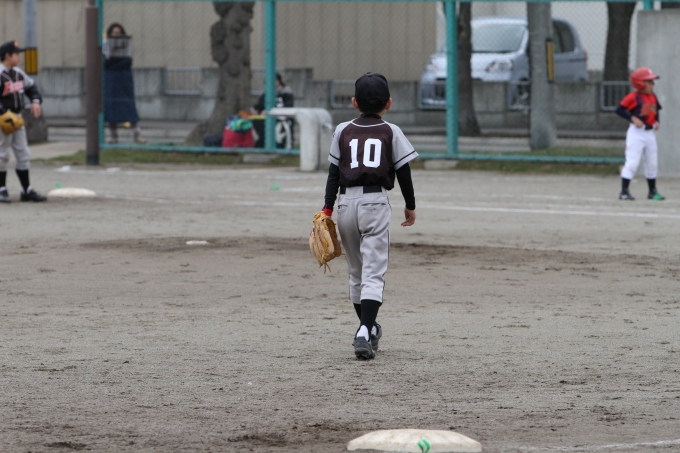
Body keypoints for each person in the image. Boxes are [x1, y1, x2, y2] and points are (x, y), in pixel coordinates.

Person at [321, 72, 418, 360]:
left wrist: (327, 209)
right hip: (375, 203)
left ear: (354, 102)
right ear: (389, 103)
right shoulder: (391, 131)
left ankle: (369, 326)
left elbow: (334, 173)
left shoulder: (342, 130)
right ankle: (364, 330)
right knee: (373, 272)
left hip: (345, 204)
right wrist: (410, 204)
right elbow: (403, 171)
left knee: (356, 272)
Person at [0, 41, 46, 203]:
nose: (19, 57)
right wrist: (4, 113)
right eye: (16, 54)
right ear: (7, 55)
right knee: (3, 154)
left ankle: (26, 190)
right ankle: (1, 189)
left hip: (16, 118)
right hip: (2, 119)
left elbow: (31, 87)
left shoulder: (18, 73)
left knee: (23, 153)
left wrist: (35, 100)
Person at [616, 67, 664, 201]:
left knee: (652, 162)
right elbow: (619, 110)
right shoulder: (634, 97)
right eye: (649, 82)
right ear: (640, 84)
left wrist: (657, 121)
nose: (652, 85)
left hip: (650, 133)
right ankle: (624, 192)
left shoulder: (653, 96)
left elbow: (656, 110)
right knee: (632, 162)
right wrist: (632, 118)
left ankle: (652, 192)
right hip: (637, 133)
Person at [104, 23, 145, 144]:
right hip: (111, 79)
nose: (116, 35)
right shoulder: (105, 45)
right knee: (111, 107)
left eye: (119, 33)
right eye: (114, 33)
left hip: (124, 79)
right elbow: (105, 62)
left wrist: (113, 63)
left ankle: (137, 134)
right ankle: (114, 136)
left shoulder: (127, 45)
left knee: (129, 106)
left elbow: (128, 61)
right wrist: (115, 62)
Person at [251, 73, 294, 148]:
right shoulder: (267, 93)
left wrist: (270, 111)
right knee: (256, 122)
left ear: (278, 81)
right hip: (266, 118)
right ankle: (264, 142)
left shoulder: (286, 92)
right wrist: (257, 110)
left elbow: (287, 105)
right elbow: (259, 104)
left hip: (281, 118)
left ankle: (276, 144)